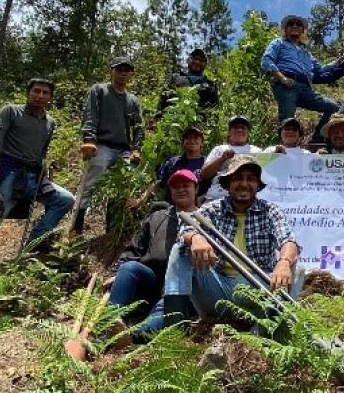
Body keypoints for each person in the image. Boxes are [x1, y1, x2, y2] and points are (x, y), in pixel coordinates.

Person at [162, 155, 301, 322]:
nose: (244, 184)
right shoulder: (212, 209)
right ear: (227, 184)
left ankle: (269, 329)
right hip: (217, 288)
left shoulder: (271, 211)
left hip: (257, 288)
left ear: (258, 185)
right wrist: (196, 238)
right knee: (181, 249)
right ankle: (174, 324)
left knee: (297, 270)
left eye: (250, 179)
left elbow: (288, 240)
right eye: (237, 179)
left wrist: (284, 262)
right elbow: (186, 227)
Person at [0, 79, 75, 262]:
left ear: (51, 97)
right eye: (36, 91)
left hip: (34, 176)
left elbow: (42, 151)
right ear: (28, 93)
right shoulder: (11, 112)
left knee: (65, 200)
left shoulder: (50, 122)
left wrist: (44, 171)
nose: (40, 96)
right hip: (10, 172)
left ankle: (36, 240)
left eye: (45, 93)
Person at [105, 169, 201, 342]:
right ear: (170, 191)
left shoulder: (207, 219)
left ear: (196, 188)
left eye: (186, 185)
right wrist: (118, 274)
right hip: (152, 278)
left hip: (183, 286)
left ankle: (130, 338)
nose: (181, 190)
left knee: (163, 314)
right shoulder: (157, 217)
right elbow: (135, 248)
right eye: (175, 187)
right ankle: (110, 323)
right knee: (129, 268)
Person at [73, 57, 144, 233]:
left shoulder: (133, 100)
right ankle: (75, 229)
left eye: (127, 70)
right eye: (119, 69)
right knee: (90, 185)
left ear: (131, 75)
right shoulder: (99, 90)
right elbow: (91, 115)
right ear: (111, 71)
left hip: (124, 150)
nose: (123, 73)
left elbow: (139, 126)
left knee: (124, 186)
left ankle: (112, 231)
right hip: (102, 145)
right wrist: (89, 139)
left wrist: (136, 148)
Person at [261, 15, 339, 143]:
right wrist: (282, 78)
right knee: (287, 121)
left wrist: (339, 62)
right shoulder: (278, 43)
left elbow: (321, 70)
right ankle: (282, 150)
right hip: (287, 85)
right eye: (291, 24)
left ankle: (316, 139)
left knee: (333, 107)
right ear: (285, 30)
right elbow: (266, 60)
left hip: (306, 88)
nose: (295, 26)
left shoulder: (307, 53)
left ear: (303, 30)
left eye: (298, 24)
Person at [126, 126, 206, 211]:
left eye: (195, 138)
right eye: (188, 138)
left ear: (202, 142)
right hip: (173, 207)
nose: (192, 141)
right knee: (156, 207)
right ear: (183, 142)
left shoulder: (208, 163)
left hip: (199, 207)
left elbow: (215, 187)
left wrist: (201, 200)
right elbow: (157, 183)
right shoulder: (173, 162)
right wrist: (140, 200)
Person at [200, 115, 262, 201]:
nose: (239, 130)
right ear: (229, 132)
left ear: (248, 132)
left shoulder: (258, 151)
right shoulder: (219, 149)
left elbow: (266, 177)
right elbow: (204, 174)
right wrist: (221, 158)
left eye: (243, 128)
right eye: (236, 127)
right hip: (219, 195)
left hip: (248, 196)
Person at [157, 47, 219, 116]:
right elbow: (162, 100)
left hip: (199, 124)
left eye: (201, 60)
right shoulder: (175, 77)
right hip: (172, 120)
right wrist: (158, 117)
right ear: (189, 60)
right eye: (195, 58)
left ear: (205, 64)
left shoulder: (210, 85)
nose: (197, 62)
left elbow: (215, 110)